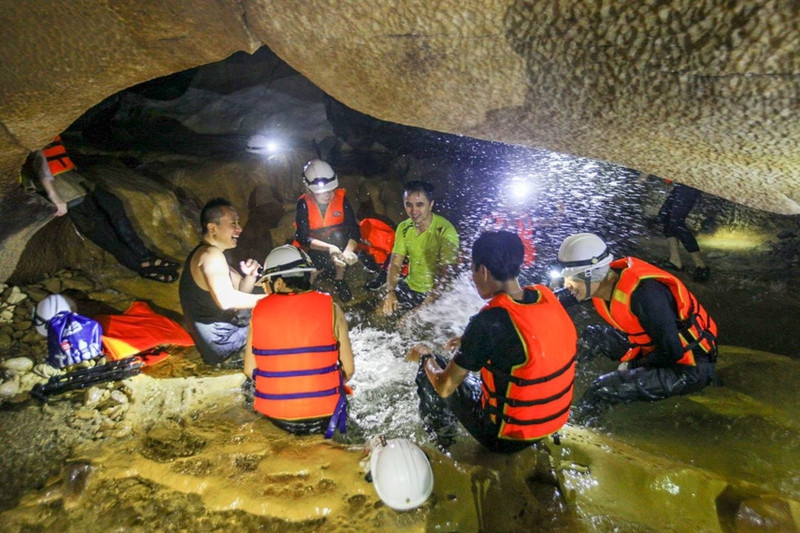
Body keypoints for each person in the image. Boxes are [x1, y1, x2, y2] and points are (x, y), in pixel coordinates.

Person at [407, 231, 577, 453]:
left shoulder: (487, 322)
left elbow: (445, 386)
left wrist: (424, 355)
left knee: (432, 368)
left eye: (473, 270)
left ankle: (443, 444)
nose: (472, 278)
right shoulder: (546, 296)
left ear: (483, 271)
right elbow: (523, 335)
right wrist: (470, 341)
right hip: (552, 423)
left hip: (505, 438)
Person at [554, 232, 719, 423]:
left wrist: (632, 365)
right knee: (592, 338)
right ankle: (555, 381)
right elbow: (559, 298)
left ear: (592, 274)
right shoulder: (601, 281)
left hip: (690, 366)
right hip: (652, 345)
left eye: (572, 279)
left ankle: (578, 427)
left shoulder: (644, 295)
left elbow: (672, 351)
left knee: (602, 389)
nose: (567, 286)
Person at [26, 136, 179, 282]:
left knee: (114, 206)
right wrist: (54, 196)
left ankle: (145, 256)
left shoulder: (49, 127)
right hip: (62, 188)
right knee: (100, 229)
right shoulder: (32, 129)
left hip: (74, 179)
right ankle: (139, 266)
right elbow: (38, 162)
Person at [244, 244, 355, 437]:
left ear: (278, 283)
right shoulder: (332, 308)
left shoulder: (259, 312)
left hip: (278, 418)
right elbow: (349, 370)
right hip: (326, 418)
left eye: (267, 282)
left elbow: (249, 370)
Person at [179, 198, 265, 366]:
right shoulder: (210, 255)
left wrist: (250, 276)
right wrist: (275, 299)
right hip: (225, 346)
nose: (239, 229)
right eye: (233, 223)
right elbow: (226, 301)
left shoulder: (207, 253)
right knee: (285, 320)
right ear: (212, 228)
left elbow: (241, 294)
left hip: (222, 343)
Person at [381, 180, 460, 315]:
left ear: (431, 204)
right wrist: (391, 292)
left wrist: (421, 309)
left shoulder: (446, 231)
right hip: (411, 285)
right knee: (380, 314)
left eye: (419, 205)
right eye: (408, 205)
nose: (413, 211)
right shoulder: (404, 227)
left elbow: (445, 277)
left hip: (435, 293)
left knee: (409, 325)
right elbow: (395, 263)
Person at [294, 159, 361, 302]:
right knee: (307, 265)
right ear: (309, 189)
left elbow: (354, 229)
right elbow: (302, 237)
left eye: (330, 190)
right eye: (322, 192)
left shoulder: (342, 200)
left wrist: (348, 251)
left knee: (338, 236)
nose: (328, 195)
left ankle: (339, 278)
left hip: (338, 242)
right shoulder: (303, 204)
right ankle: (309, 284)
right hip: (315, 246)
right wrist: (329, 248)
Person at [649, 175, 710, 282]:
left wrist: (644, 175)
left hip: (691, 183)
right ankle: (675, 260)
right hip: (683, 183)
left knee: (676, 222)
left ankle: (701, 266)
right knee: (665, 216)